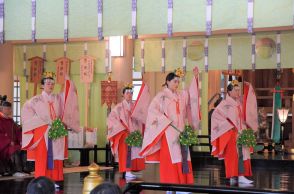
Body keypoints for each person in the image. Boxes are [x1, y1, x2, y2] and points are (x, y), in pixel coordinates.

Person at [139, 67, 201, 190]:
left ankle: (183, 186)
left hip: (181, 131)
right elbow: (152, 110)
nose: (177, 84)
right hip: (168, 131)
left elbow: (191, 94)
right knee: (172, 157)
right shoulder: (161, 96)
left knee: (183, 156)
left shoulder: (181, 95)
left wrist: (195, 78)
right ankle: (171, 185)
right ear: (168, 81)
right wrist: (164, 120)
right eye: (174, 81)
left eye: (178, 82)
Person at [21, 72, 80, 188]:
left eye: (52, 83)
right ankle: (42, 180)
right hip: (43, 131)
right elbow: (26, 114)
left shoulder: (58, 98)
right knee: (43, 156)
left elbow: (69, 97)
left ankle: (55, 179)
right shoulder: (35, 100)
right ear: (42, 85)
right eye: (48, 83)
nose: (50, 85)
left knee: (56, 156)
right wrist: (41, 122)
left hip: (56, 129)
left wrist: (68, 82)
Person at [211, 80, 258, 185]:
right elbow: (215, 116)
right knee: (233, 156)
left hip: (241, 132)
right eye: (235, 90)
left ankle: (241, 175)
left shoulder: (239, 102)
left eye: (238, 90)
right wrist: (229, 126)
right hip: (231, 134)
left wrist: (248, 88)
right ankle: (234, 176)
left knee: (243, 154)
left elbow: (248, 103)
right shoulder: (224, 104)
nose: (237, 92)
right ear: (229, 92)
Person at [107, 84, 145, 179]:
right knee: (126, 152)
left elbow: (140, 118)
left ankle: (131, 169)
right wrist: (123, 128)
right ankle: (127, 171)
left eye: (131, 93)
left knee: (134, 152)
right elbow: (112, 119)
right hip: (124, 133)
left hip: (133, 133)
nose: (129, 95)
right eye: (127, 93)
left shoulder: (134, 106)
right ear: (123, 94)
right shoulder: (119, 107)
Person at [0, 100, 27, 177]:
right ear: (2, 109)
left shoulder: (11, 121)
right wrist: (8, 141)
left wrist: (21, 140)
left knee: (23, 148)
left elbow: (18, 131)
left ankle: (24, 169)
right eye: (7, 109)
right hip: (4, 145)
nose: (9, 110)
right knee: (14, 149)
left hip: (13, 143)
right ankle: (16, 171)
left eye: (10, 109)